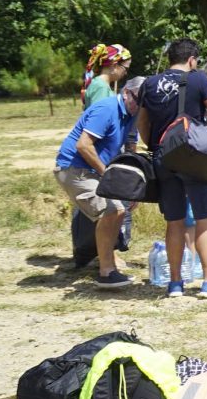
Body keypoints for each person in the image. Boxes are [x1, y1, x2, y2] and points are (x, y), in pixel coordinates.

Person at [136, 38, 207, 300]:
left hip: (163, 157)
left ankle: (175, 284)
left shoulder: (149, 83)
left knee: (174, 221)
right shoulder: (198, 79)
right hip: (193, 157)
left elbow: (142, 124)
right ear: (192, 60)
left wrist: (157, 145)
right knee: (204, 219)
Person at [54, 77, 146, 288]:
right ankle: (106, 272)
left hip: (92, 171)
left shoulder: (131, 114)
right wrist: (108, 176)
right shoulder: (106, 109)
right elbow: (83, 146)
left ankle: (109, 264)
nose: (141, 106)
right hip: (74, 169)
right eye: (138, 100)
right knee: (110, 211)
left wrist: (130, 187)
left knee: (119, 210)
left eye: (145, 102)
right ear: (126, 93)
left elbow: (129, 150)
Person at [82, 44, 132, 108]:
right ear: (114, 66)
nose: (126, 73)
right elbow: (99, 115)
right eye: (126, 68)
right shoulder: (101, 87)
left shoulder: (100, 84)